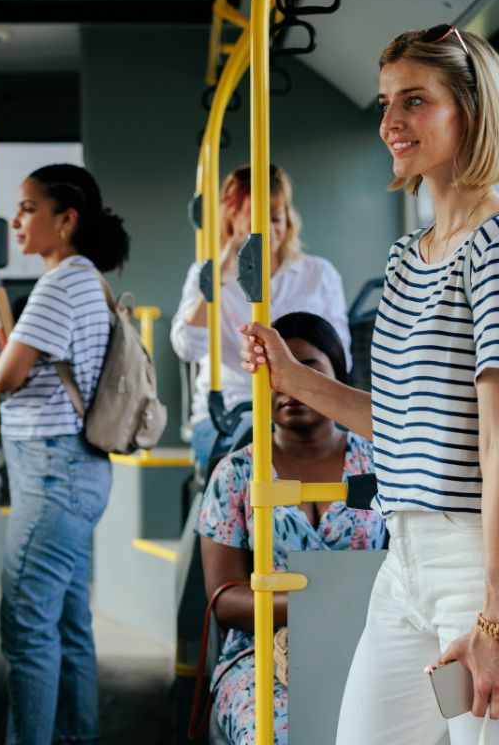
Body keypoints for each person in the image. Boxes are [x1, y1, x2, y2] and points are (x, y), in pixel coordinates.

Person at [239, 26, 499, 744]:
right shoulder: (409, 257)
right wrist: (294, 376)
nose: (391, 122)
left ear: (472, 111)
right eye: (385, 102)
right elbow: (401, 418)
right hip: (408, 559)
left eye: (416, 101)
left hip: (490, 564)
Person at [0, 163, 129, 745]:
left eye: (28, 208)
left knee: (27, 629)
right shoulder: (89, 280)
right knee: (68, 624)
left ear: (66, 220)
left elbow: (4, 377)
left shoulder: (58, 285)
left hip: (53, 473)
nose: (16, 220)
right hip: (80, 470)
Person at [197, 311, 386, 745]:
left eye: (307, 370)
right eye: (278, 372)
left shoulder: (382, 462)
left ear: (338, 376)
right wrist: (326, 602)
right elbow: (224, 599)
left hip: (369, 645)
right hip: (260, 652)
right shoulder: (236, 474)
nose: (289, 386)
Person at [171, 164, 351, 472]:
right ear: (233, 223)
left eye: (275, 218)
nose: (268, 230)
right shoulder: (208, 275)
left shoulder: (318, 275)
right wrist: (221, 269)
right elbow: (187, 347)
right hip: (232, 410)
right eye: (256, 220)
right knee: (255, 463)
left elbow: (340, 357)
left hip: (304, 407)